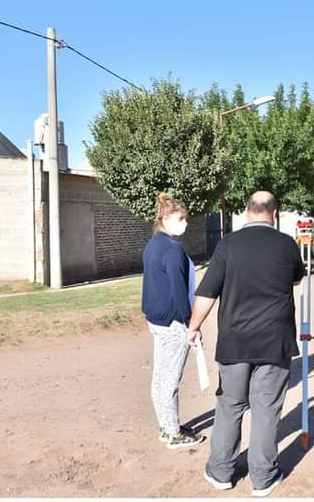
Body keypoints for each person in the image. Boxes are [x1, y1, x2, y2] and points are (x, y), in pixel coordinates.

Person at [188, 191, 304, 497]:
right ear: (274, 213)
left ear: (246, 211)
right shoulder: (287, 245)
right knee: (266, 409)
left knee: (230, 405)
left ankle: (221, 472)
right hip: (274, 341)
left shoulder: (227, 245)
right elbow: (296, 279)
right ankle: (263, 478)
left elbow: (207, 293)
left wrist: (193, 326)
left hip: (235, 341)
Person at [141, 192, 204, 450]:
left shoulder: (153, 244)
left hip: (156, 319)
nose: (185, 223)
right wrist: (191, 323)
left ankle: (167, 425)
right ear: (165, 219)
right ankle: (172, 433)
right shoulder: (172, 249)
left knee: (160, 377)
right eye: (180, 219)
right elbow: (179, 290)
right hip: (172, 322)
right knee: (168, 381)